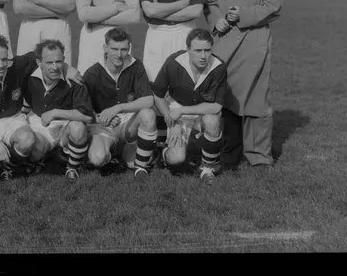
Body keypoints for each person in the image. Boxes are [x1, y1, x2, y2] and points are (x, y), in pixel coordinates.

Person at [204, 0, 283, 168]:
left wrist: (244, 14)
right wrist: (217, 20)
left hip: (254, 41)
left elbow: (273, 6)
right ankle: (229, 151)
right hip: (224, 41)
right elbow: (210, 3)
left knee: (257, 99)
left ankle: (258, 155)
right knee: (225, 96)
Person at [0, 34, 82, 181]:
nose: (2, 64)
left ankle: (8, 167)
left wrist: (67, 68)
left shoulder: (16, 66)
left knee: (27, 139)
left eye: (4, 59)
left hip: (14, 120)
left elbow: (43, 55)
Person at [151, 28, 227, 184]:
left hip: (200, 112)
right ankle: (163, 153)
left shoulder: (218, 67)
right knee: (177, 159)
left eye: (207, 50)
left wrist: (182, 111)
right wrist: (172, 121)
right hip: (175, 114)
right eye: (198, 50)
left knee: (213, 120)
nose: (203, 56)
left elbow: (216, 107)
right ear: (187, 49)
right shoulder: (174, 63)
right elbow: (157, 95)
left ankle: (207, 168)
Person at [82, 27, 158, 177]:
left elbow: (149, 100)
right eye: (114, 49)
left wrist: (119, 108)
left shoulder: (136, 66)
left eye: (124, 49)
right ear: (105, 48)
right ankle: (112, 153)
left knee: (148, 114)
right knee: (97, 159)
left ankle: (139, 167)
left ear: (129, 48)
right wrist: (100, 118)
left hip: (128, 125)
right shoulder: (93, 73)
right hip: (104, 127)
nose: (119, 54)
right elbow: (82, 108)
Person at [23, 39, 94, 180]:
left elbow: (87, 116)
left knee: (78, 128)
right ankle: (51, 156)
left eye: (59, 61)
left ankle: (72, 168)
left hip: (64, 127)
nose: (55, 67)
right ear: (39, 63)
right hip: (40, 124)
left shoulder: (75, 80)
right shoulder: (28, 76)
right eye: (49, 62)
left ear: (64, 60)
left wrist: (55, 112)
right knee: (35, 151)